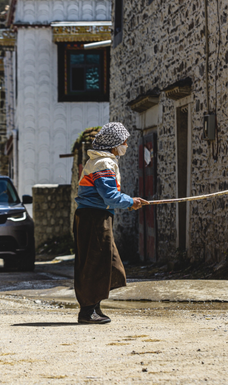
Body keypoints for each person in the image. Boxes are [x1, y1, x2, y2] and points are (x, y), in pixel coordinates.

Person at [74, 122, 148, 324]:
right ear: (114, 143)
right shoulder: (104, 164)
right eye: (123, 141)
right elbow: (109, 196)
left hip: (92, 216)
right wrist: (130, 201)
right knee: (95, 262)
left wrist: (129, 202)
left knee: (105, 261)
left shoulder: (101, 162)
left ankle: (94, 306)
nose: (125, 145)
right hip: (94, 218)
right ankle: (88, 311)